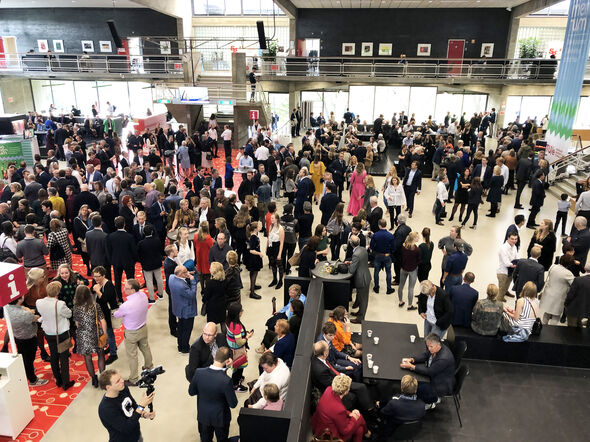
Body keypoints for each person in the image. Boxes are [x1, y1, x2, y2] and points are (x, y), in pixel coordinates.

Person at [188, 346, 238, 442]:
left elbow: (191, 392)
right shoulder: (226, 380)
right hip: (221, 418)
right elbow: (233, 404)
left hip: (203, 416)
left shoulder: (199, 372)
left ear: (214, 355)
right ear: (228, 361)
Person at [113, 279, 153, 386]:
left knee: (132, 356)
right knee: (145, 348)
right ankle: (149, 367)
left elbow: (116, 315)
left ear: (133, 290)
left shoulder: (126, 305)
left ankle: (134, 379)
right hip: (143, 327)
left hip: (131, 332)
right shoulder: (143, 295)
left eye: (126, 288)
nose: (124, 289)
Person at [400, 333, 456, 409]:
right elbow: (425, 355)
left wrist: (411, 366)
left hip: (441, 383)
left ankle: (431, 401)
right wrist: (412, 359)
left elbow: (429, 372)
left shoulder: (443, 359)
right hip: (435, 374)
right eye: (428, 346)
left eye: (431, 347)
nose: (429, 349)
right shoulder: (435, 348)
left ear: (438, 344)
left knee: (415, 387)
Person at [36, 281, 75, 390]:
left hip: (49, 333)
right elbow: (69, 314)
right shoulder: (60, 304)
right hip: (62, 334)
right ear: (57, 292)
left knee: (53, 356)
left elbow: (42, 314)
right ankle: (66, 382)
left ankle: (58, 380)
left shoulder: (39, 302)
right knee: (64, 357)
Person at [98, 369, 155, 442]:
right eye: (118, 381)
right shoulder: (106, 409)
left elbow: (133, 406)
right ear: (108, 387)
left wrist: (144, 414)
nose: (122, 381)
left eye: (121, 378)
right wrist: (141, 406)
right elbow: (126, 428)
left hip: (136, 435)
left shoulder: (123, 389)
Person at [3, 295, 48, 386]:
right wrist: (30, 311)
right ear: (19, 300)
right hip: (28, 338)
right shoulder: (24, 314)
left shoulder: (7, 307)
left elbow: (24, 309)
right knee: (29, 358)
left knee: (23, 356)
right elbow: (36, 318)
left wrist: (27, 310)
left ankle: (27, 370)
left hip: (17, 336)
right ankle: (33, 380)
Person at [312, 375, 369, 442]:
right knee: (360, 418)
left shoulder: (328, 389)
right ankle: (367, 433)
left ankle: (366, 433)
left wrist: (350, 414)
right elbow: (345, 431)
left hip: (320, 427)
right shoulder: (339, 409)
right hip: (332, 436)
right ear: (345, 392)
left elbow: (333, 411)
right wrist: (354, 417)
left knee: (360, 430)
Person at [73, 285, 107, 388]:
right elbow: (103, 321)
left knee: (87, 358)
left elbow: (77, 324)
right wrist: (105, 334)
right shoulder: (95, 305)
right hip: (96, 333)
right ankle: (103, 378)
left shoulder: (76, 307)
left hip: (83, 335)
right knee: (101, 355)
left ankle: (94, 379)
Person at [92, 266, 119, 365]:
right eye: (94, 276)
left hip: (108, 313)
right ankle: (112, 347)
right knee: (106, 331)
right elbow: (91, 292)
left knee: (109, 332)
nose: (96, 278)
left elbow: (105, 299)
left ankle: (113, 354)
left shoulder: (108, 285)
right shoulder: (97, 283)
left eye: (98, 276)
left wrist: (97, 291)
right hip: (102, 312)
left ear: (103, 276)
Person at [107, 216, 138, 303]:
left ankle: (119, 298)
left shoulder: (111, 236)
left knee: (117, 280)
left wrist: (112, 261)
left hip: (116, 262)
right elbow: (134, 251)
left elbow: (109, 251)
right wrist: (134, 260)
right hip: (128, 262)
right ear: (124, 224)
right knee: (131, 280)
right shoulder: (129, 237)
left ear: (115, 225)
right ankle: (132, 297)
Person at [169, 265, 198, 353]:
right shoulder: (182, 286)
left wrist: (187, 274)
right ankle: (185, 348)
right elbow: (192, 294)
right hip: (187, 310)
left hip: (178, 308)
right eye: (185, 272)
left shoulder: (171, 277)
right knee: (187, 330)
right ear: (180, 274)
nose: (187, 273)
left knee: (180, 327)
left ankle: (180, 346)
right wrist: (193, 281)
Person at [539, 255, 575, 324]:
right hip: (558, 298)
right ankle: (552, 330)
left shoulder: (553, 267)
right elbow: (574, 284)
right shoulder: (568, 273)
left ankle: (544, 327)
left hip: (548, 293)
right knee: (556, 316)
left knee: (547, 313)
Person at [226, 302, 253, 392]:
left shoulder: (229, 321)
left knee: (237, 367)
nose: (242, 311)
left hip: (232, 349)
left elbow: (235, 335)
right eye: (241, 310)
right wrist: (247, 337)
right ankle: (235, 385)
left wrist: (244, 333)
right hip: (238, 351)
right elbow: (239, 342)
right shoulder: (236, 326)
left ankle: (238, 378)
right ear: (238, 313)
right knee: (239, 367)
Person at [137, 224, 164, 303]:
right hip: (157, 263)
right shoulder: (157, 240)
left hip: (146, 265)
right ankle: (161, 294)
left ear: (143, 233)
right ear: (152, 232)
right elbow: (160, 251)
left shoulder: (141, 243)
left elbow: (139, 255)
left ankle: (151, 299)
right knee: (159, 279)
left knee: (149, 281)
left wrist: (142, 262)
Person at [347, 235, 371, 324]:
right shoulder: (363, 249)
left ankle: (360, 318)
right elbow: (361, 261)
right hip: (366, 276)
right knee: (361, 297)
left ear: (351, 243)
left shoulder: (355, 254)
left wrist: (349, 265)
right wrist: (352, 262)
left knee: (363, 300)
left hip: (362, 279)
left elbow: (351, 270)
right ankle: (359, 313)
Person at [370, 218, 395, 295]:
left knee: (376, 272)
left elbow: (371, 246)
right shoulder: (390, 236)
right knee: (388, 272)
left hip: (378, 255)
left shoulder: (375, 235)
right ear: (385, 225)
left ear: (379, 225)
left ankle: (376, 287)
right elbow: (393, 248)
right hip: (387, 256)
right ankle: (389, 288)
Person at [399, 231, 422, 310]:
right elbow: (419, 260)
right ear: (414, 238)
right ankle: (410, 305)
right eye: (417, 237)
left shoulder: (403, 246)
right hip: (412, 270)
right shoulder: (417, 250)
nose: (419, 238)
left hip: (403, 269)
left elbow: (401, 257)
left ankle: (400, 301)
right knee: (411, 288)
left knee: (401, 286)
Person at [564, 263, 590, 327]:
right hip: (587, 310)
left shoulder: (578, 280)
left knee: (572, 329)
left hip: (575, 309)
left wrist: (566, 304)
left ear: (585, 269)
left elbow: (570, 295)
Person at [203, 262, 227, 329]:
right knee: (222, 322)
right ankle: (225, 335)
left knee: (211, 324)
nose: (209, 269)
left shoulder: (209, 283)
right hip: (222, 304)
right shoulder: (225, 281)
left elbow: (206, 297)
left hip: (212, 307)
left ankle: (212, 335)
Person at [497, 232, 519, 302]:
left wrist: (516, 263)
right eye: (512, 239)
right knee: (501, 289)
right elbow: (506, 263)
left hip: (511, 271)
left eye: (515, 239)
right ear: (508, 238)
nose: (514, 241)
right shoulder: (503, 248)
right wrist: (515, 265)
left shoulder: (514, 247)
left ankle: (505, 293)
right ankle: (499, 299)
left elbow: (516, 258)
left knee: (507, 284)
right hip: (503, 272)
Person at [245, 221, 263, 299]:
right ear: (255, 229)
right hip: (254, 258)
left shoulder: (254, 236)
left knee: (253, 272)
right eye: (259, 226)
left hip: (254, 257)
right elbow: (251, 250)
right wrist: (259, 253)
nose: (260, 227)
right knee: (254, 273)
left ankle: (253, 285)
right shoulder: (253, 237)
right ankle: (252, 292)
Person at [266, 212, 285, 289]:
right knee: (272, 264)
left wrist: (279, 253)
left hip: (277, 247)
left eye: (272, 218)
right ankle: (274, 279)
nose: (271, 219)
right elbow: (268, 238)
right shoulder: (271, 226)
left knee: (279, 265)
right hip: (271, 247)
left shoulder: (280, 228)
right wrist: (266, 248)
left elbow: (281, 242)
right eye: (271, 218)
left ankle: (280, 281)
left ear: (276, 219)